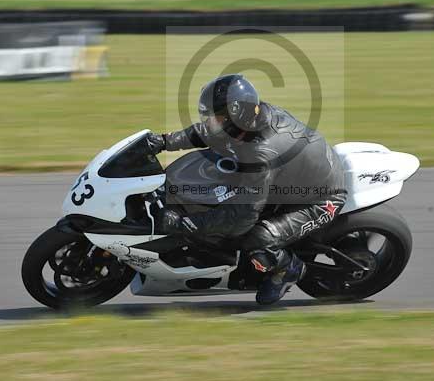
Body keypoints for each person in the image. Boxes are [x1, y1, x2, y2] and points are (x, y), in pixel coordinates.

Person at [146, 74, 347, 305]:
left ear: (237, 115)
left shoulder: (261, 153)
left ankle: (287, 269)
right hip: (292, 179)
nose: (211, 123)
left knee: (257, 239)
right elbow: (207, 132)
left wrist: (185, 224)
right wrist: (164, 141)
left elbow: (242, 217)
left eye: (218, 118)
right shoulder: (251, 119)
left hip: (321, 197)